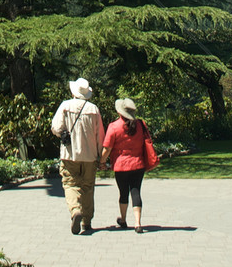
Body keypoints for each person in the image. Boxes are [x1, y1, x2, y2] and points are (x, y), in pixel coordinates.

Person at [51, 78, 105, 235]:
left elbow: (56, 127)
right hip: (89, 155)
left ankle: (75, 210)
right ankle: (87, 222)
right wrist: (101, 157)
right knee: (88, 187)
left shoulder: (65, 106)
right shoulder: (94, 109)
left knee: (70, 184)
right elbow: (100, 135)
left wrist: (63, 134)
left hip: (69, 154)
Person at [100, 97, 155, 234]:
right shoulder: (141, 125)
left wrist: (101, 161)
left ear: (120, 112)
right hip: (138, 164)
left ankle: (123, 219)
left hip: (121, 166)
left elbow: (107, 148)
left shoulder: (114, 127)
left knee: (123, 192)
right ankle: (138, 223)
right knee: (136, 191)